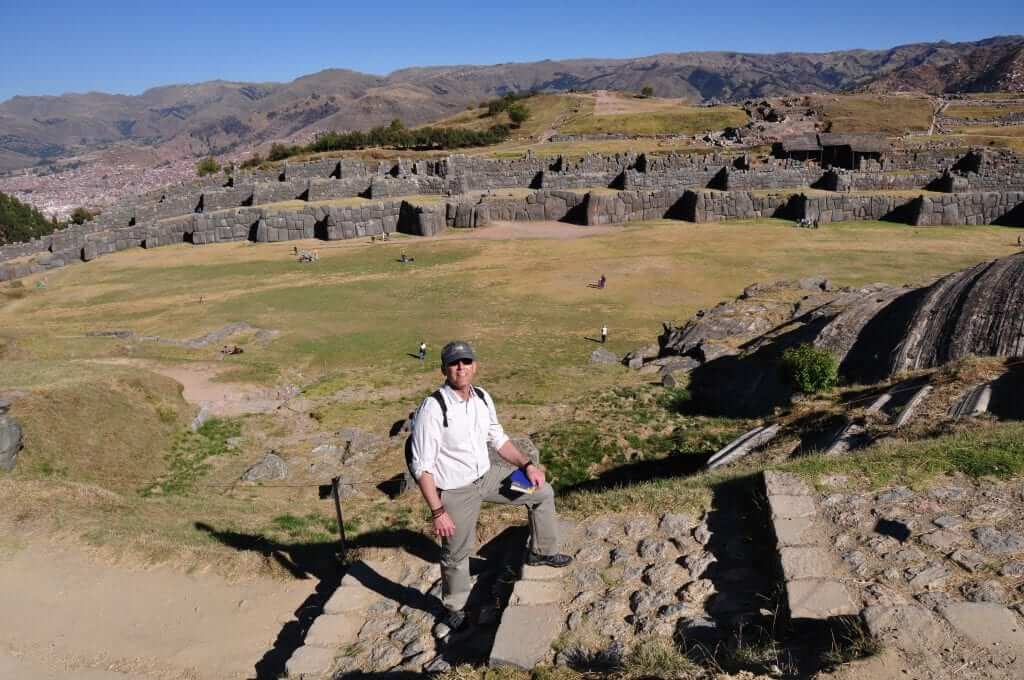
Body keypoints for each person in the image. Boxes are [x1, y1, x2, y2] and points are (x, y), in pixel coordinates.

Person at [409, 341, 572, 634]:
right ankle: (454, 607)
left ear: (475, 366)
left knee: (542, 493)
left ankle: (542, 551)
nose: (461, 368)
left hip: (488, 477)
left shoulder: (482, 397)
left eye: (466, 361)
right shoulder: (433, 408)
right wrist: (438, 511)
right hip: (456, 491)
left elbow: (498, 439)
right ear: (444, 369)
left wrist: (527, 466)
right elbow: (423, 467)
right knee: (456, 554)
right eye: (454, 363)